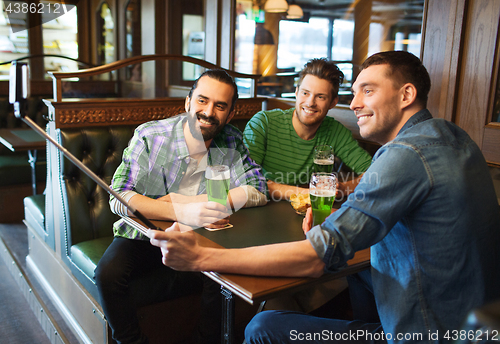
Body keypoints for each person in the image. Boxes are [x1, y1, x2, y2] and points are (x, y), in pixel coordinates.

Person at [149, 51, 500, 343]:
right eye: (354, 92)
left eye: (368, 91)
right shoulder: (454, 137)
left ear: (406, 95)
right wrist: (337, 220)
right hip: (475, 325)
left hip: (428, 333)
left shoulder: (405, 154)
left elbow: (316, 258)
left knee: (262, 327)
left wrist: (201, 257)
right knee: (362, 272)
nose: (355, 103)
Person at [95, 69, 268, 344]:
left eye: (220, 105)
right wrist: (180, 208)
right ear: (187, 102)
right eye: (202, 100)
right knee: (107, 274)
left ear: (230, 113)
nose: (208, 111)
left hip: (200, 237)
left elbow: (258, 188)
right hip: (145, 235)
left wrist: (207, 203)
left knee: (222, 275)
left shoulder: (231, 138)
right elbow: (118, 197)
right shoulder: (150, 136)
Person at [243, 58, 372, 201]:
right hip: (263, 206)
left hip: (305, 211)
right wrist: (305, 193)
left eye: (320, 97)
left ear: (333, 102)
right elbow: (246, 180)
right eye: (305, 93)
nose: (310, 103)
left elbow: (372, 172)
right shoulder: (263, 123)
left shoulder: (335, 131)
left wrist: (343, 188)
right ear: (296, 92)